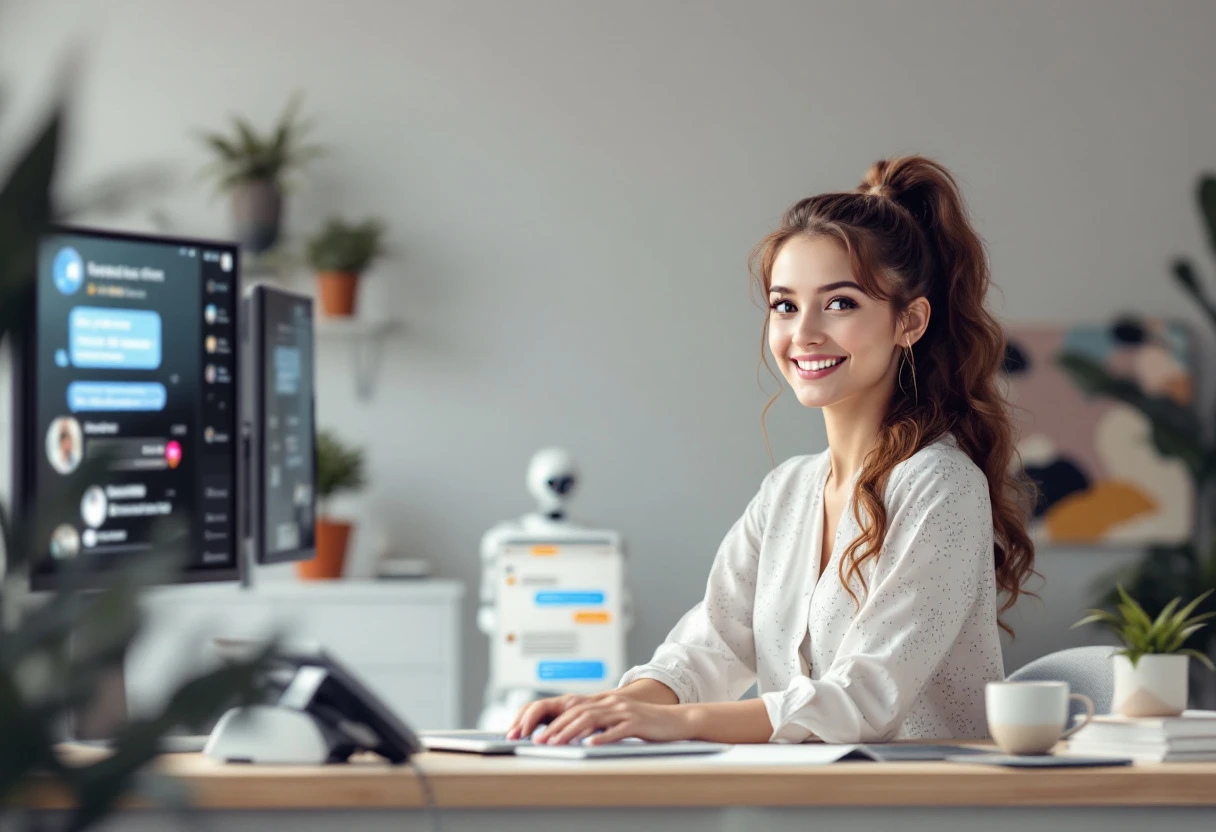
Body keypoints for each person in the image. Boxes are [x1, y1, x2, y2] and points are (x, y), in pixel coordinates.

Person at [506, 156, 1038, 746]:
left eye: (840, 303)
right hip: (802, 803)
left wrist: (669, 722)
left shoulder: (941, 484)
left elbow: (864, 700)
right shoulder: (788, 491)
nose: (803, 333)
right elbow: (707, 649)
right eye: (785, 305)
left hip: (916, 811)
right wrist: (607, 707)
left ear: (909, 321)